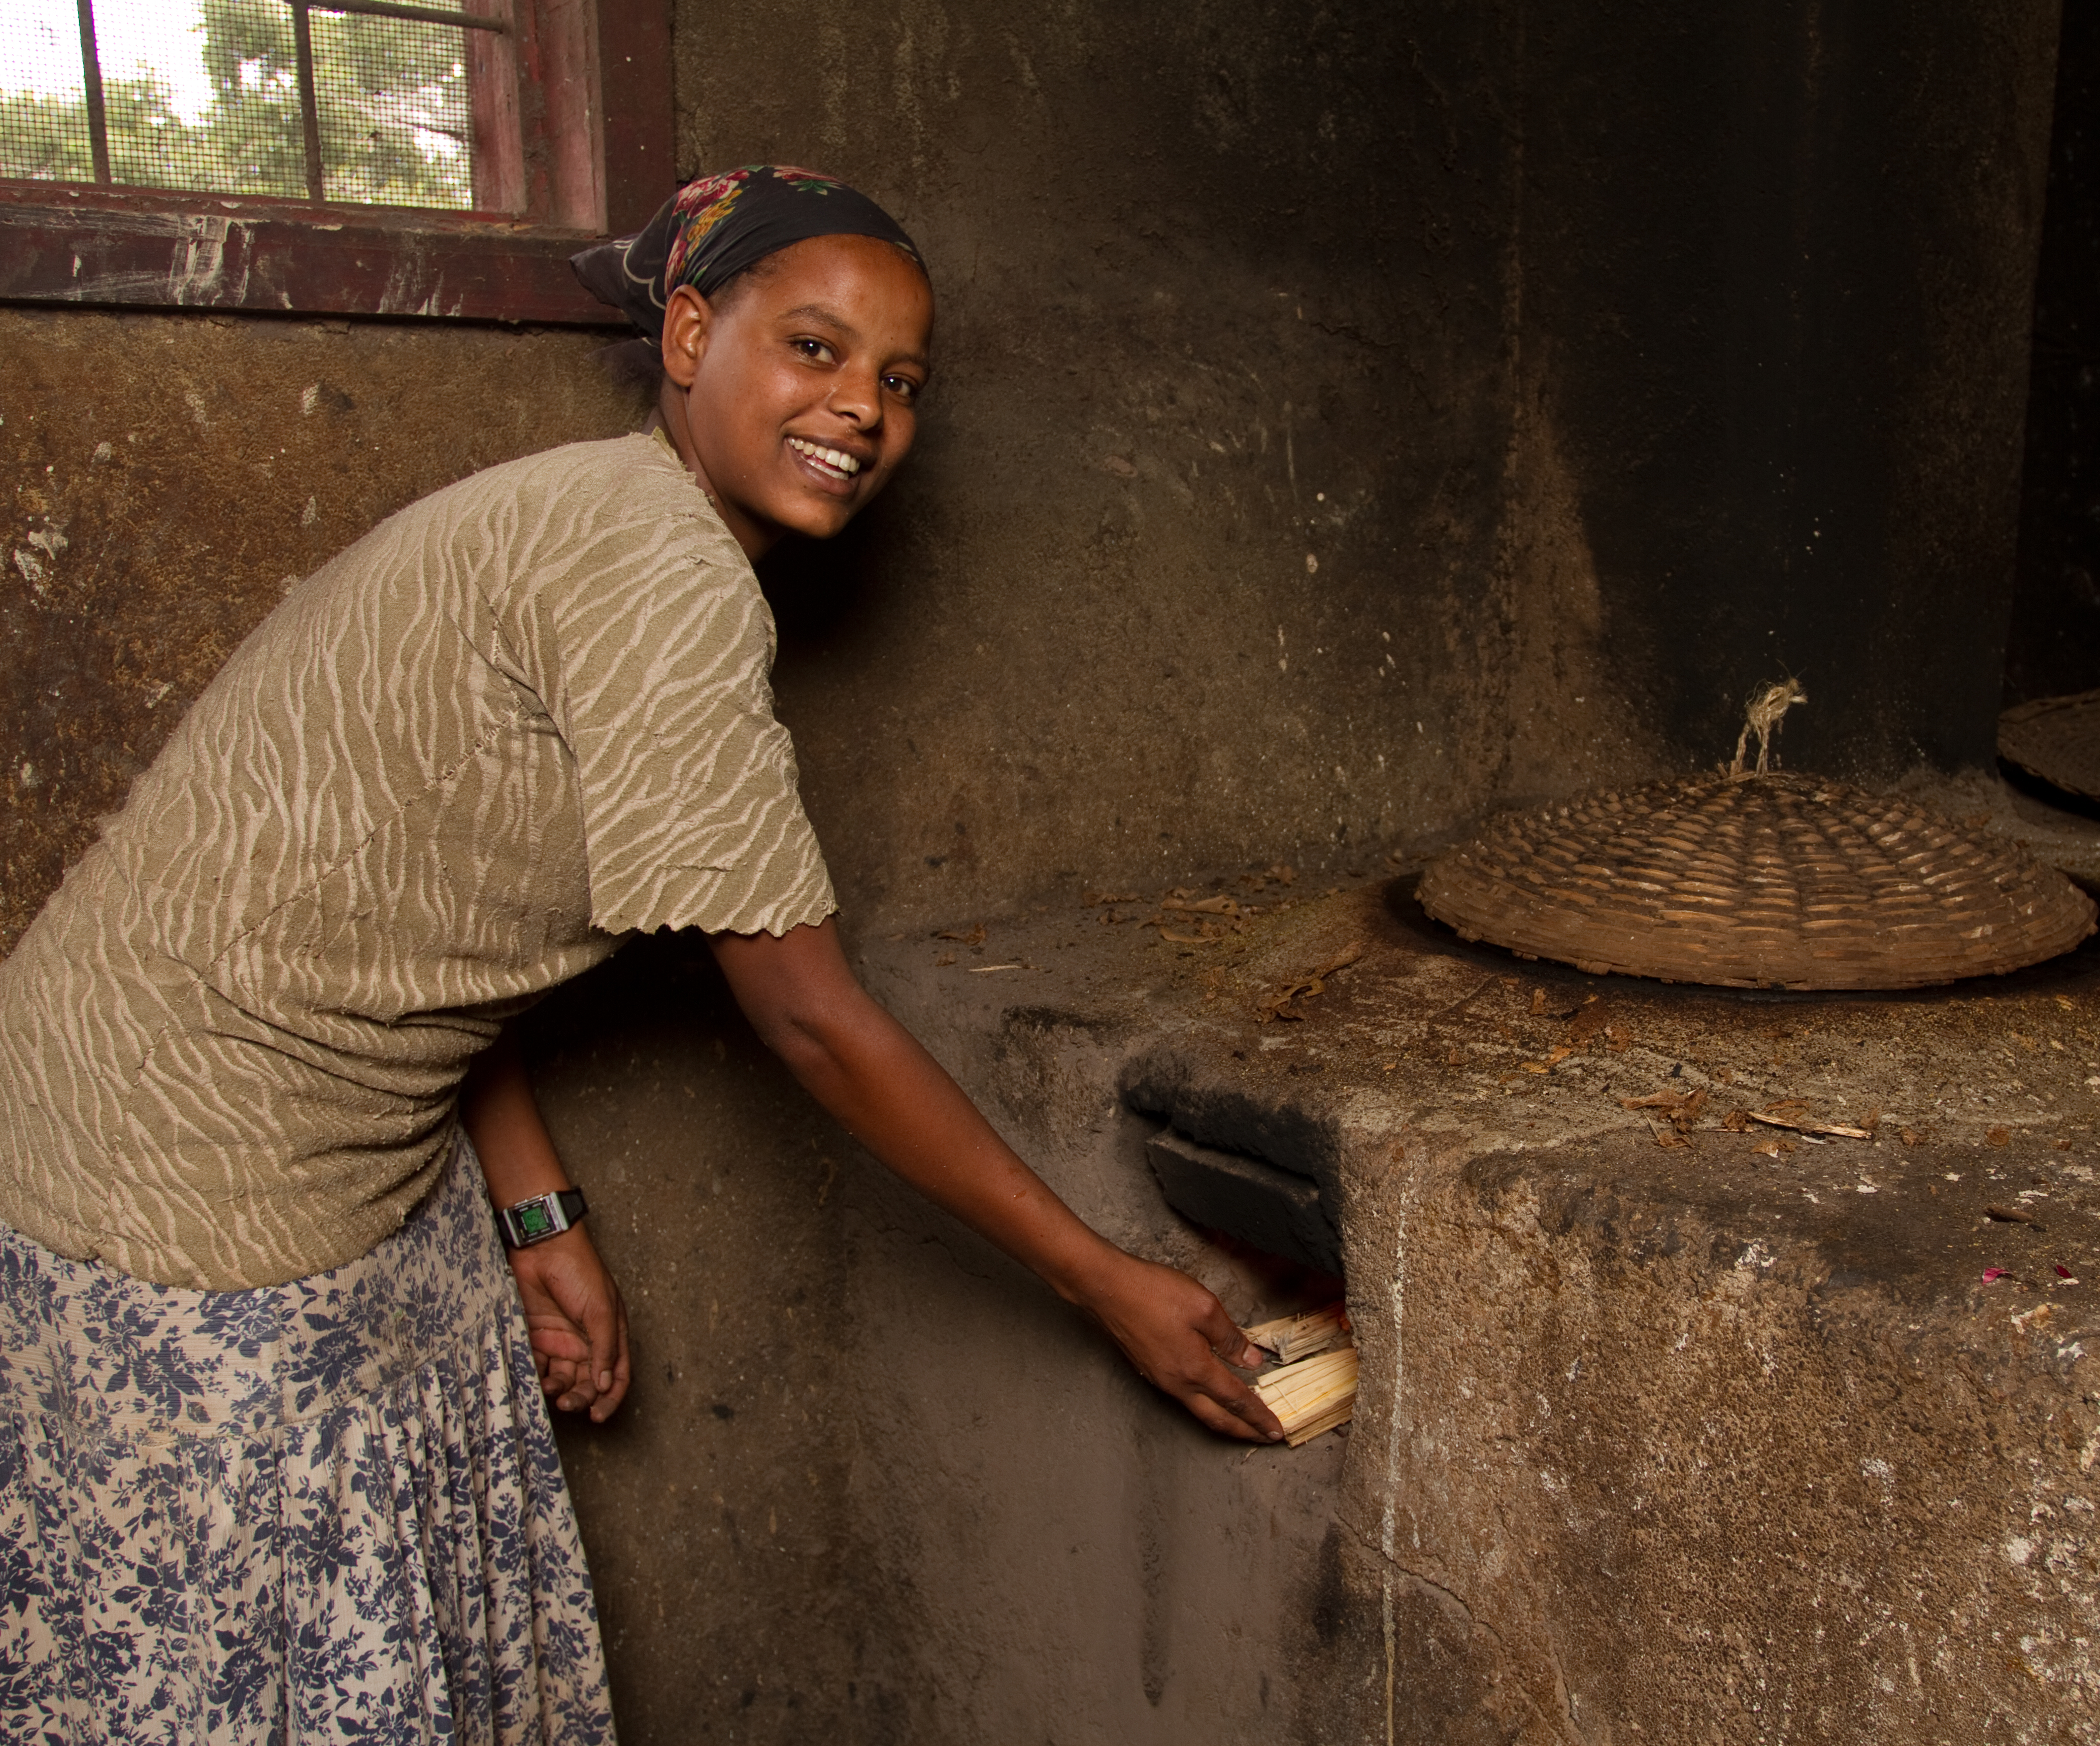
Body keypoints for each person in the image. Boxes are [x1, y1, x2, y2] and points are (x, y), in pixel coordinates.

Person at [0, 164, 1282, 1745]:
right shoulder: (657, 574)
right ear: (688, 333)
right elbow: (808, 1021)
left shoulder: (603, 509)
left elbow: (419, 899)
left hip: (321, 1139)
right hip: (177, 1177)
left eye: (899, 380)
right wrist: (1105, 1282)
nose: (862, 410)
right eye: (812, 349)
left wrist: (532, 1205)